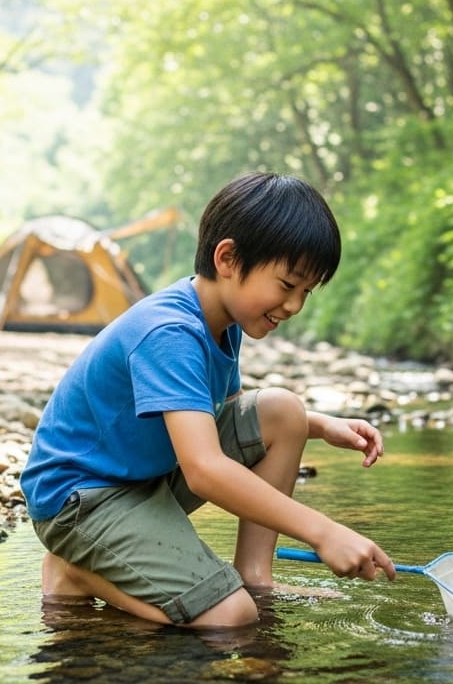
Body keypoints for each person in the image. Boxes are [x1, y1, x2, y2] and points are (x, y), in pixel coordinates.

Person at [21, 172, 396, 628]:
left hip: (140, 477)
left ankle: (255, 575)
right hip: (81, 502)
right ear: (228, 258)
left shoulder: (222, 319)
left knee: (284, 411)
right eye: (286, 285)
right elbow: (204, 470)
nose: (295, 305)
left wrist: (318, 425)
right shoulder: (170, 333)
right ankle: (76, 573)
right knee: (231, 617)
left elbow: (224, 411)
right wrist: (323, 532)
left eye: (306, 292)